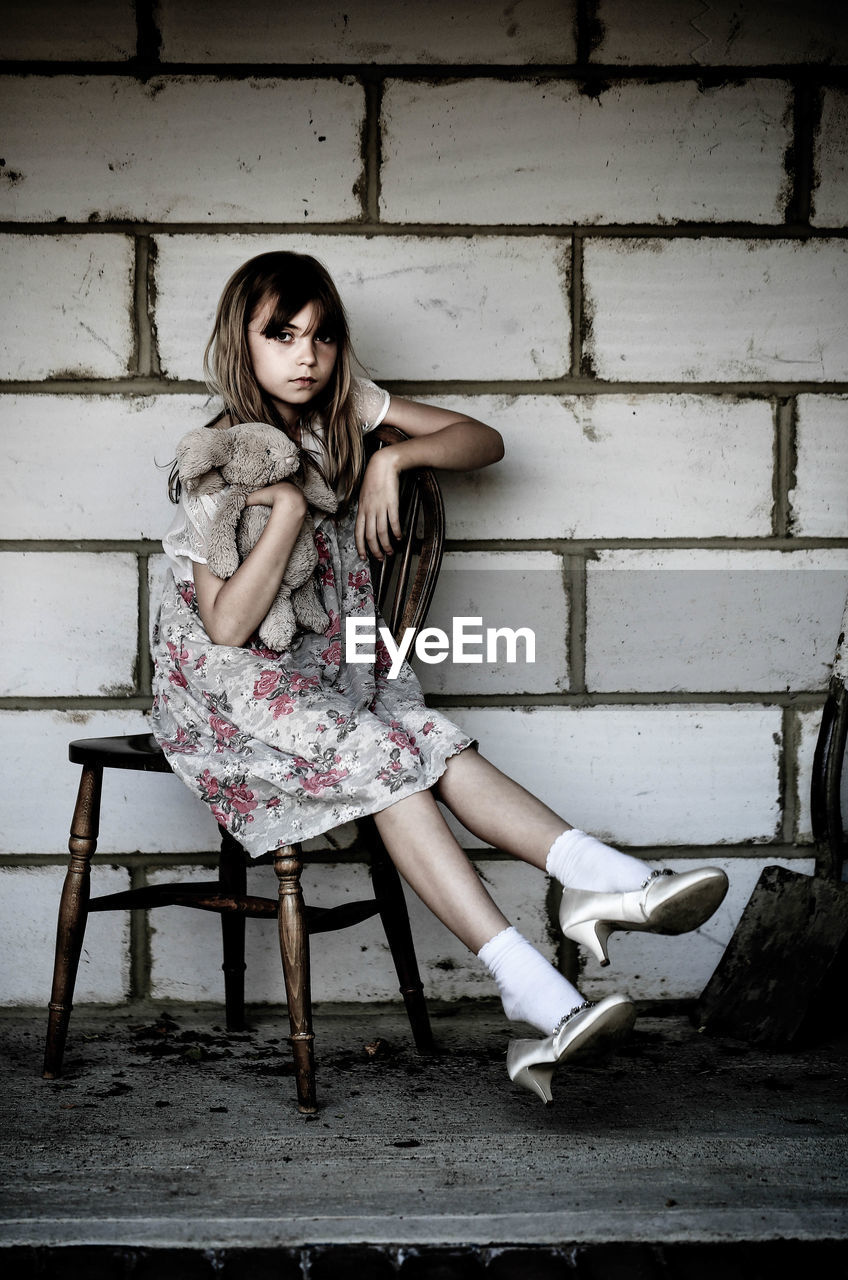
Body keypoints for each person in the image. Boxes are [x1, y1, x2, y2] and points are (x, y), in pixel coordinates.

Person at [151, 251, 728, 1104]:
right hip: (227, 693)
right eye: (281, 334)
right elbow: (229, 628)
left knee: (425, 738)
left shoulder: (347, 408)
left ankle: (598, 878)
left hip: (331, 671)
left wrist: (391, 459)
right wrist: (294, 513)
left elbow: (483, 442)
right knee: (387, 757)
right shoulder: (216, 465)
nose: (305, 355)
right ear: (243, 343)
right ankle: (530, 987)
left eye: (321, 335)